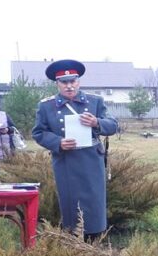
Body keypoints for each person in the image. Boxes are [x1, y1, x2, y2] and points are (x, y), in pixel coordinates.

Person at [32, 59, 119, 240]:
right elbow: (39, 133)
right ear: (57, 84)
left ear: (78, 82)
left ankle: (96, 238)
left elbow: (112, 125)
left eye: (73, 81)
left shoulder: (95, 102)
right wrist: (58, 142)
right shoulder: (46, 106)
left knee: (94, 202)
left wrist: (97, 122)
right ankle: (73, 239)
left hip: (91, 161)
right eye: (64, 82)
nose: (69, 86)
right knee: (71, 202)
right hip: (65, 162)